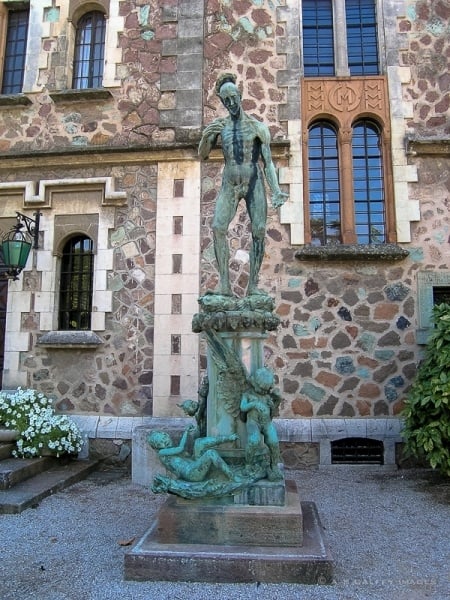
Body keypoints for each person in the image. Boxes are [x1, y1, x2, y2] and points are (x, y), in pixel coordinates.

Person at [198, 73, 288, 297]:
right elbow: (202, 155)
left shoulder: (258, 128)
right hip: (230, 182)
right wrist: (206, 137)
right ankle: (225, 286)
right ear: (221, 101)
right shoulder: (220, 127)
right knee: (218, 228)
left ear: (239, 95)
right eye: (225, 100)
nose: (230, 103)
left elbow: (267, 163)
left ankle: (253, 286)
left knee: (258, 230)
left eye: (232, 98)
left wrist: (276, 190)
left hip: (253, 181)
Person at [148, 426, 239, 483]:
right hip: (191, 474)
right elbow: (180, 448)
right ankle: (232, 477)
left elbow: (185, 456)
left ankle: (228, 438)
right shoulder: (162, 453)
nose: (165, 441)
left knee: (199, 442)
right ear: (157, 447)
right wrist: (186, 432)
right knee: (211, 453)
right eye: (161, 442)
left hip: (193, 465)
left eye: (165, 437)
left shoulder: (168, 452)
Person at [240, 367, 283, 481]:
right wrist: (253, 404)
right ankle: (248, 465)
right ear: (254, 383)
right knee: (254, 440)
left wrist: (276, 402)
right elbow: (243, 407)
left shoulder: (267, 396)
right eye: (262, 389)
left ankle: (274, 465)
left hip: (266, 422)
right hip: (253, 422)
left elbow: (272, 414)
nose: (265, 391)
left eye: (267, 389)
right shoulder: (248, 394)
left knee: (273, 442)